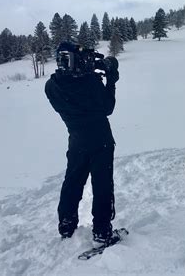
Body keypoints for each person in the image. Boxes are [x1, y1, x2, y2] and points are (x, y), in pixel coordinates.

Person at [45, 42, 121, 244]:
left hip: (76, 140)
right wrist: (111, 80)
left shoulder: (51, 86)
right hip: (100, 141)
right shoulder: (89, 83)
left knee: (73, 182)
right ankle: (102, 230)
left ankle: (66, 224)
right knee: (102, 185)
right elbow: (108, 107)